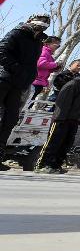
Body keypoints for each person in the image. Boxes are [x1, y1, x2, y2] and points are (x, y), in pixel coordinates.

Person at [0, 14, 51, 170]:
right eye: (40, 21)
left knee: (10, 119)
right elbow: (2, 51)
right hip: (5, 78)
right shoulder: (18, 32)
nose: (43, 24)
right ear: (30, 20)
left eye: (46, 23)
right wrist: (17, 69)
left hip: (19, 84)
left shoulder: (38, 41)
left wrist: (29, 76)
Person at [36, 63, 80, 173]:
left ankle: (55, 165)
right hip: (62, 119)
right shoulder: (74, 83)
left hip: (75, 120)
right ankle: (42, 165)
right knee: (53, 143)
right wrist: (60, 118)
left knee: (66, 144)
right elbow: (62, 102)